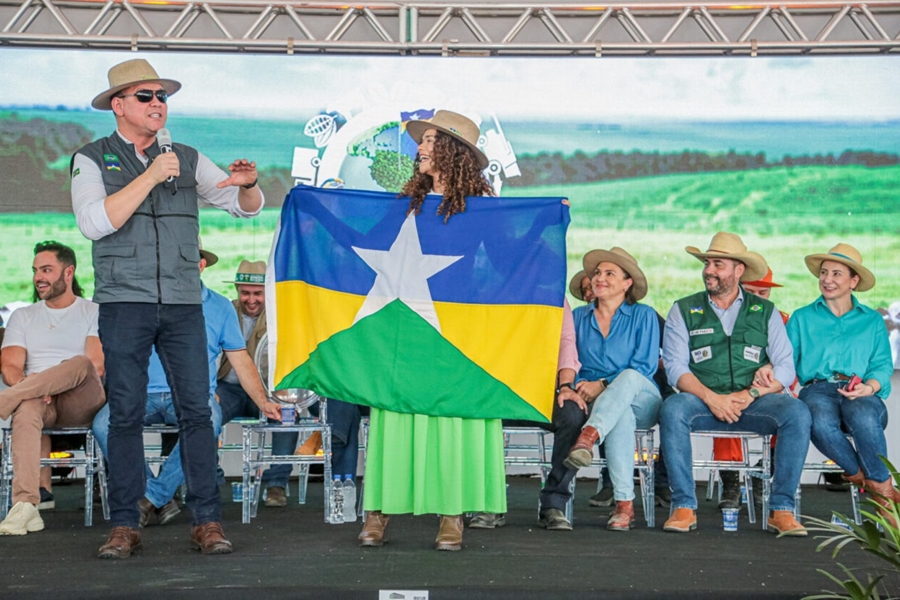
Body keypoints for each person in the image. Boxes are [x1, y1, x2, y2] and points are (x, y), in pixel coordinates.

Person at [71, 58, 264, 558]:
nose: (158, 103)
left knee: (198, 411)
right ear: (118, 105)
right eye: (146, 96)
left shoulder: (187, 157)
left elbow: (244, 207)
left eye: (162, 96)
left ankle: (207, 521)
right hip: (124, 302)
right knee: (125, 414)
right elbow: (93, 222)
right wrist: (152, 175)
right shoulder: (91, 159)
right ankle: (124, 524)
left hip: (182, 301)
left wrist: (247, 185)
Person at [358, 110, 501, 551]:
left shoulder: (481, 209)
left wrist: (547, 219)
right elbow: (364, 246)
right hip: (403, 329)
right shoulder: (406, 204)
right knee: (394, 413)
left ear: (452, 151)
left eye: (430, 140)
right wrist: (313, 208)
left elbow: (508, 259)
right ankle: (377, 510)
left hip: (455, 330)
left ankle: (451, 514)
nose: (419, 147)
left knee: (450, 418)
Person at [92, 246, 280, 526]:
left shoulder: (220, 307)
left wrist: (262, 401)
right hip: (142, 393)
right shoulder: (140, 302)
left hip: (192, 395)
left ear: (201, 265)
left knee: (210, 420)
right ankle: (157, 495)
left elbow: (240, 359)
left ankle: (151, 497)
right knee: (102, 425)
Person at [659, 232, 810, 536]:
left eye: (718, 264)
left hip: (753, 402)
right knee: (672, 408)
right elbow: (675, 368)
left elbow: (785, 367)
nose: (709, 270)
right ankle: (683, 506)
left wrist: (750, 393)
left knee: (797, 412)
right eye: (707, 263)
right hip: (701, 401)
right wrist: (711, 398)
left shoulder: (766, 311)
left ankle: (781, 510)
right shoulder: (683, 309)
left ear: (738, 270)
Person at [786, 243, 898, 524]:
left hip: (861, 390)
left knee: (862, 413)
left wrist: (869, 387)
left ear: (853, 281)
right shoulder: (801, 317)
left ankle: (874, 487)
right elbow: (785, 362)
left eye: (837, 274)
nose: (827, 279)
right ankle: (881, 490)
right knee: (817, 418)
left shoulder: (872, 320)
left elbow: (882, 365)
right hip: (817, 389)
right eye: (824, 273)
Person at [0, 241, 105, 535]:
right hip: (37, 398)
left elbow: (96, 366)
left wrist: (41, 384)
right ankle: (26, 505)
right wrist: (32, 387)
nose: (38, 277)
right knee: (26, 408)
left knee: (80, 363)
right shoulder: (22, 316)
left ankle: (6, 401)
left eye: (46, 270)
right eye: (36, 270)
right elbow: (9, 367)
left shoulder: (93, 311)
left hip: (80, 400)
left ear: (68, 272)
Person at [561, 247, 662, 531]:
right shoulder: (578, 316)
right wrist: (580, 384)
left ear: (627, 283)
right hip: (602, 405)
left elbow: (644, 366)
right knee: (621, 417)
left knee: (628, 376)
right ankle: (624, 505)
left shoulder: (643, 315)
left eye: (609, 273)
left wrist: (603, 383)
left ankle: (588, 437)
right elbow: (569, 359)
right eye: (597, 273)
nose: (599, 278)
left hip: (643, 398)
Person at [215, 260, 295, 508]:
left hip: (267, 391)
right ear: (237, 290)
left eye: (258, 294)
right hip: (228, 389)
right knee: (203, 413)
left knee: (287, 414)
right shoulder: (224, 312)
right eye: (246, 293)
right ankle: (210, 479)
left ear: (267, 292)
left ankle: (276, 484)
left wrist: (282, 395)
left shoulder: (281, 315)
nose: (251, 300)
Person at [713, 263, 787, 510]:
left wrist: (765, 382)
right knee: (726, 405)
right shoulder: (722, 318)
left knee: (794, 410)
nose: (757, 298)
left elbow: (789, 364)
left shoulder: (781, 319)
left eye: (762, 293)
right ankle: (731, 482)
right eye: (751, 292)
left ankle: (766, 470)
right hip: (733, 390)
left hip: (768, 390)